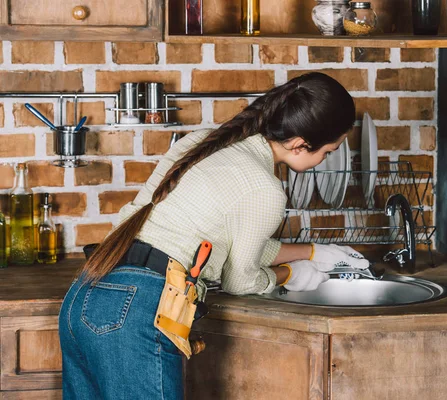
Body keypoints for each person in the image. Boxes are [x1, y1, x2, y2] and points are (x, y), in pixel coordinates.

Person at [58, 72, 369, 399]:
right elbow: (241, 280)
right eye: (328, 152)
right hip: (140, 311)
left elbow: (230, 246)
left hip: (87, 291)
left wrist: (312, 252)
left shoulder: (204, 141)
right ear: (299, 144)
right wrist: (290, 274)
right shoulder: (265, 189)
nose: (324, 160)